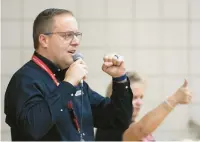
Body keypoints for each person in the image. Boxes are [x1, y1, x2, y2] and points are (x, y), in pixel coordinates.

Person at [4, 8, 133, 141]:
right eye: (67, 35)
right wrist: (68, 84)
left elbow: (118, 120)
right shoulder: (25, 80)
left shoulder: (71, 77)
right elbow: (33, 128)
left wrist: (120, 79)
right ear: (44, 40)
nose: (76, 41)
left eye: (77, 34)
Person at [95, 72, 192, 141]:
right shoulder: (111, 124)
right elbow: (141, 130)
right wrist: (174, 99)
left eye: (141, 97)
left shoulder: (130, 122)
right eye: (133, 98)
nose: (139, 102)